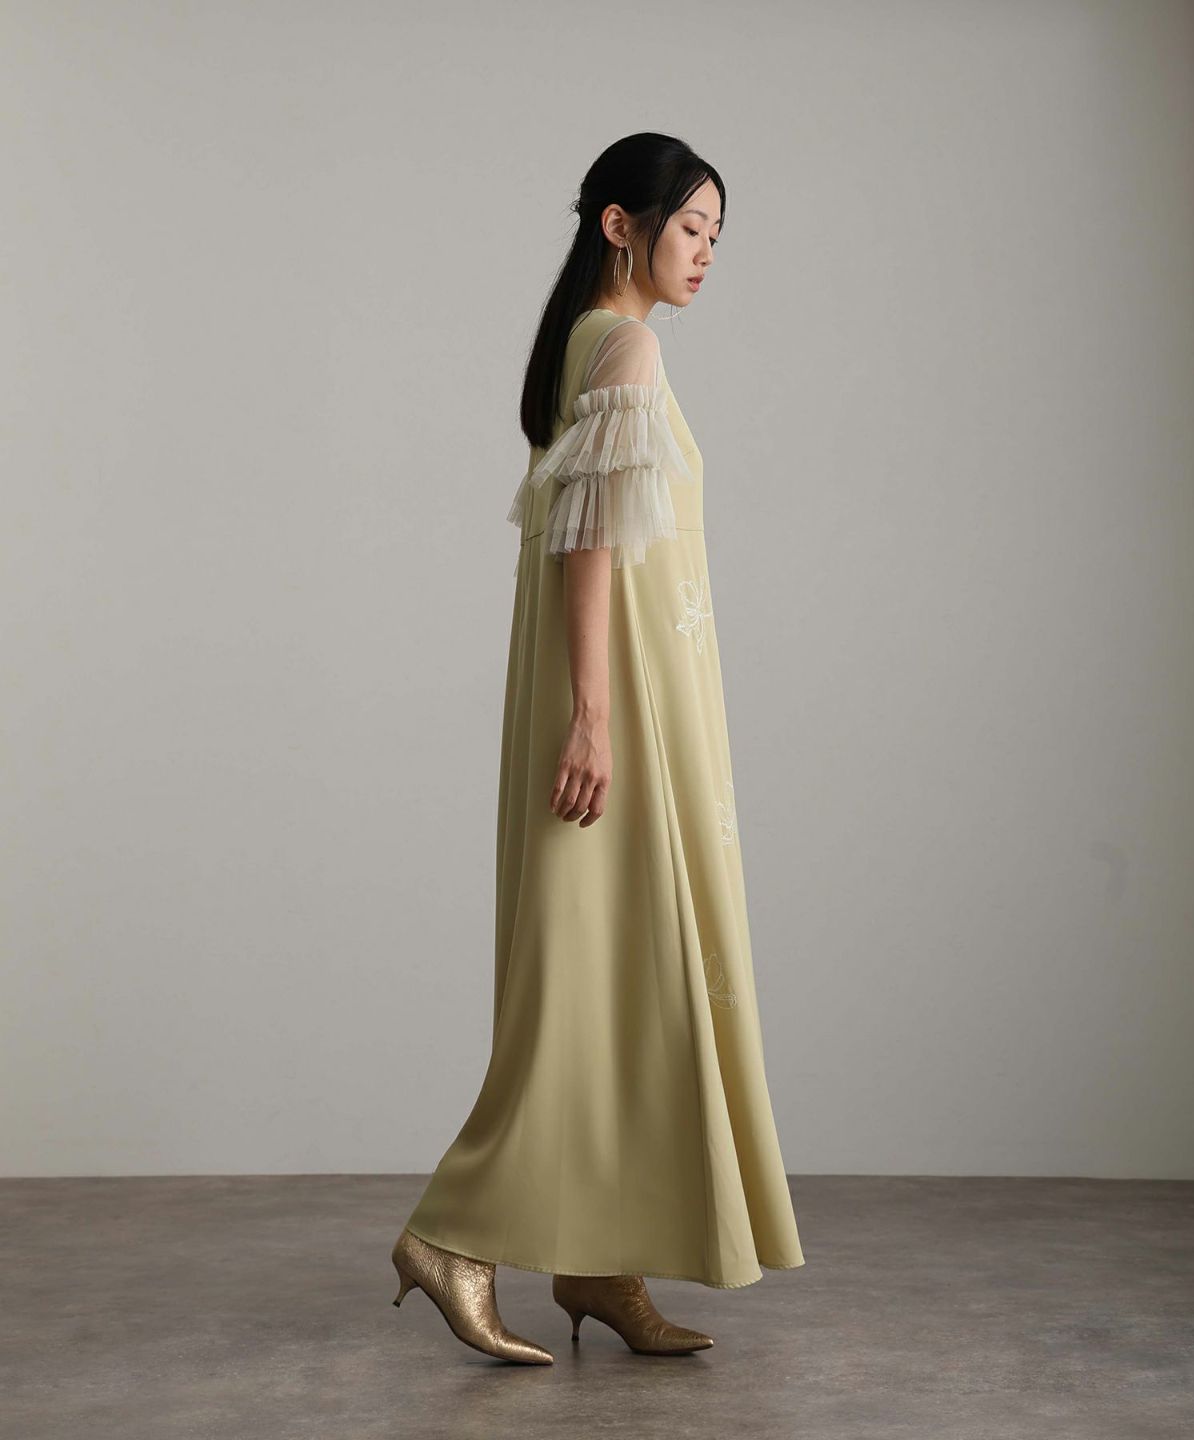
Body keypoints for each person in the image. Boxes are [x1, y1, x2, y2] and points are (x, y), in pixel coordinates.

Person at [391, 132, 805, 1365]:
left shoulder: (581, 344)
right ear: (621, 224)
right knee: (587, 980)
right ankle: (453, 1234)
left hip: (624, 699)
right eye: (691, 227)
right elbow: (588, 546)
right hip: (618, 703)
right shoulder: (624, 346)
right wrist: (594, 716)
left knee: (622, 969)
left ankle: (596, 1260)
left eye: (718, 235)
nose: (707, 254)